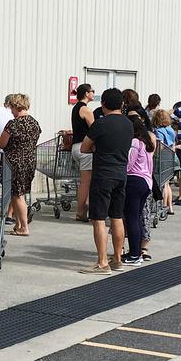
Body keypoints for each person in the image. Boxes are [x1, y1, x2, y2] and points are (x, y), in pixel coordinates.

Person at [79, 89, 132, 275]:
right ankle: (117, 258)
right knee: (117, 216)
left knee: (99, 218)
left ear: (103, 105)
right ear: (122, 104)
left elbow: (85, 148)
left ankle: (102, 262)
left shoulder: (101, 123)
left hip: (103, 174)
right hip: (121, 173)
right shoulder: (129, 124)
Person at [0, 94, 41, 237]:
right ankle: (18, 224)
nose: (11, 111)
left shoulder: (13, 124)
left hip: (15, 162)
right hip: (30, 161)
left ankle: (24, 227)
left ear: (16, 107)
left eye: (11, 107)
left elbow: (2, 144)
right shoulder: (34, 123)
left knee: (18, 195)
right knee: (19, 193)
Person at [123, 117, 156, 267]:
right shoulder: (147, 144)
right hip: (146, 182)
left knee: (131, 219)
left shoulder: (135, 143)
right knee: (136, 218)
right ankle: (136, 252)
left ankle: (134, 254)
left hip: (134, 181)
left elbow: (129, 164)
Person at [70, 84, 96, 221]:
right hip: (85, 149)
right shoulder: (85, 109)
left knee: (84, 182)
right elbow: (95, 129)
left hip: (76, 147)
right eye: (92, 91)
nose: (93, 93)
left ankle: (83, 210)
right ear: (87, 93)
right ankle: (81, 212)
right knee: (86, 182)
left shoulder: (76, 108)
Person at [152, 109, 178, 215]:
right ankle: (170, 207)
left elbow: (160, 146)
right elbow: (172, 145)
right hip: (172, 157)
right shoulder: (171, 130)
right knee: (167, 184)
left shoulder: (158, 131)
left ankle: (163, 204)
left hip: (162, 158)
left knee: (162, 184)